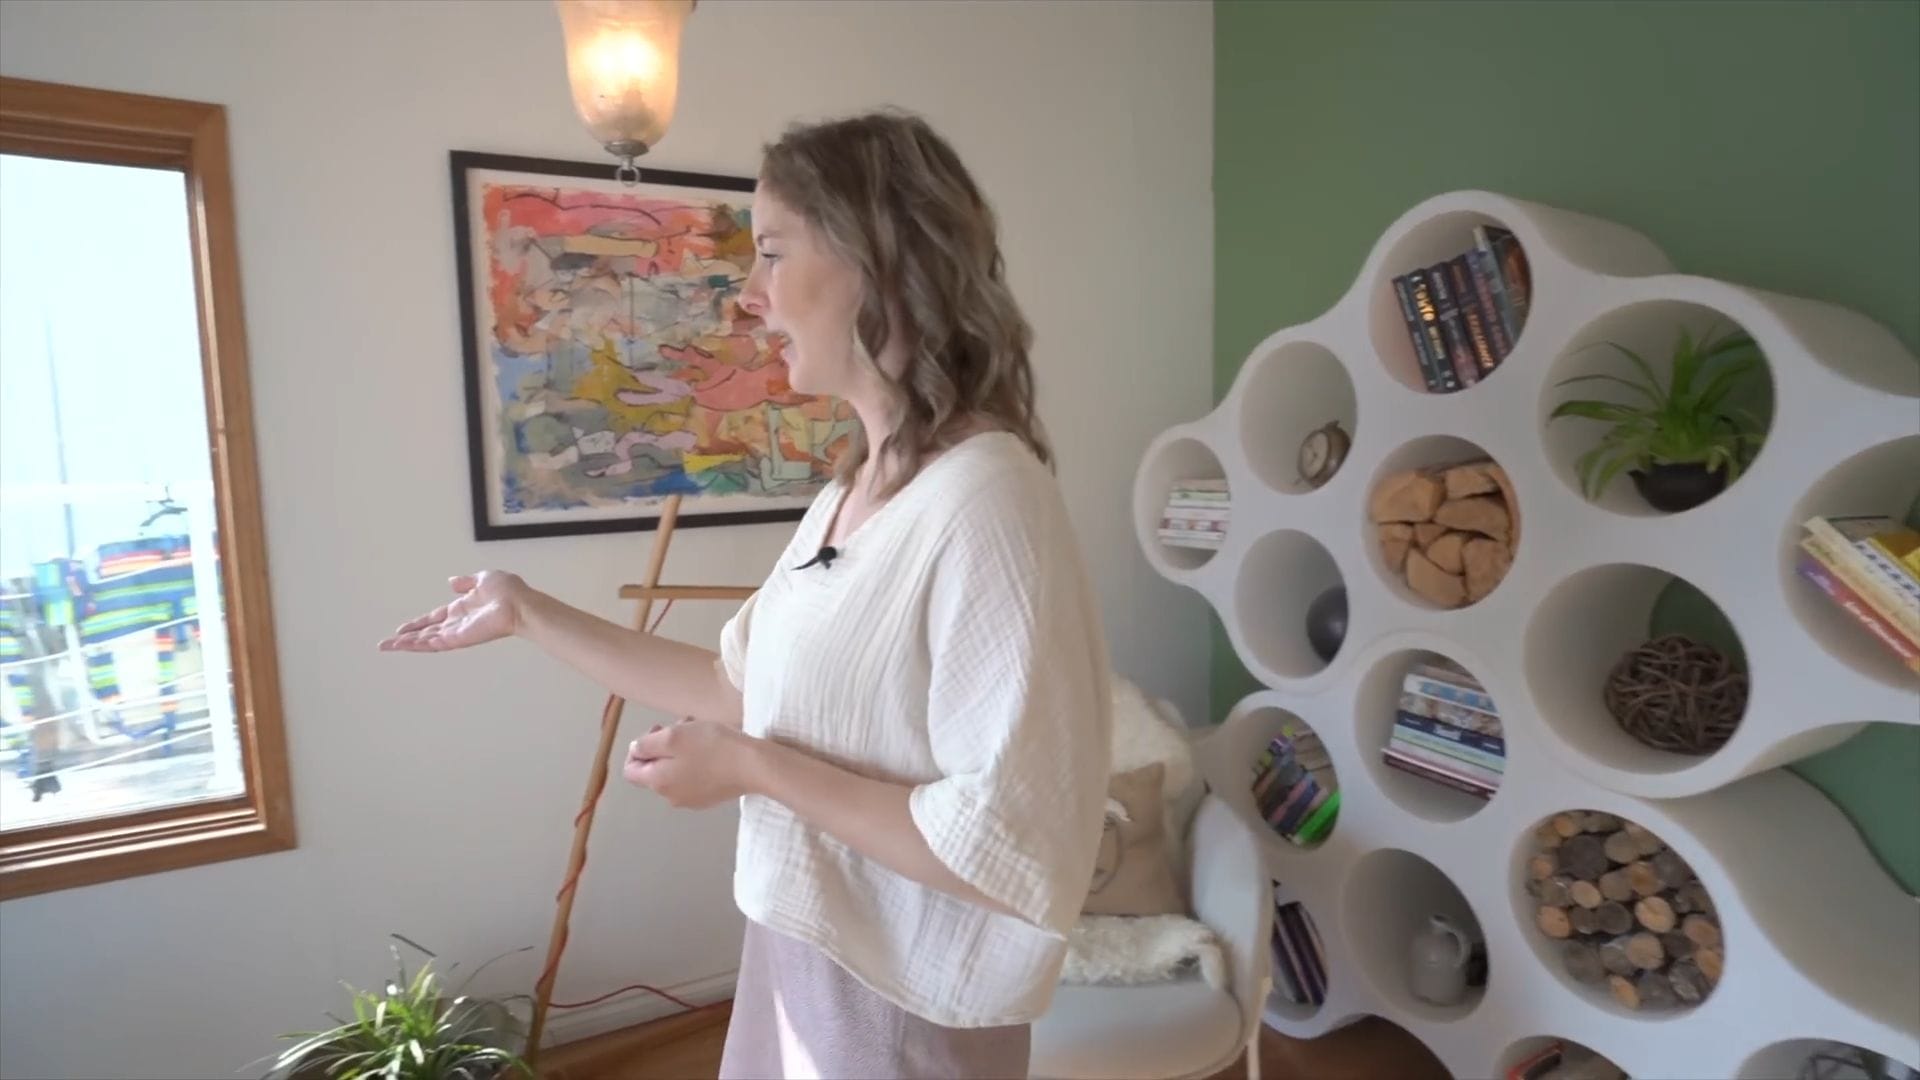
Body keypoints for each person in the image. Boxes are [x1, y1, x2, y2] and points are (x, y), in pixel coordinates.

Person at [379, 109, 1114, 1079]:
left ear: (880, 260)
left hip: (899, 1006)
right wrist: (526, 611)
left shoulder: (988, 501)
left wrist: (750, 768)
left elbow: (1007, 844)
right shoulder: (851, 493)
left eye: (771, 253)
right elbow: (735, 687)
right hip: (798, 954)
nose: (750, 296)